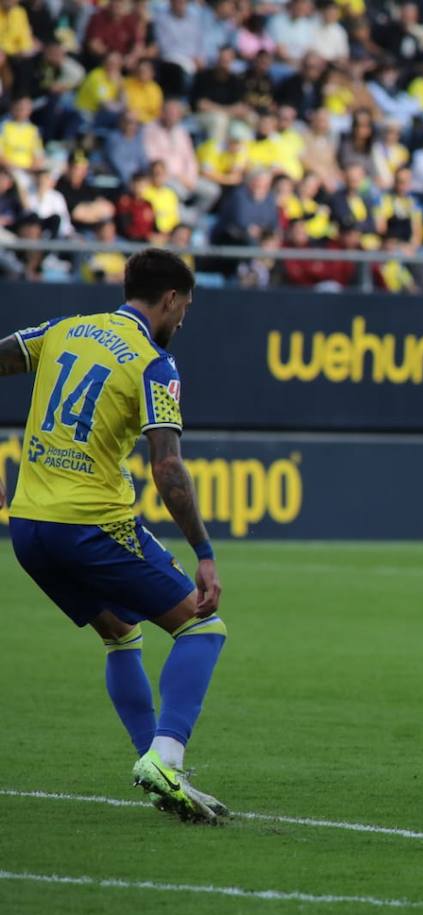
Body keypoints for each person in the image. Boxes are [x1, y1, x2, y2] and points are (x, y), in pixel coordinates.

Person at [0, 249, 227, 822]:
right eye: (186, 307)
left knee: (121, 633)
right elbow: (168, 468)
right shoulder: (155, 363)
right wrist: (203, 551)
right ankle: (167, 757)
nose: (184, 320)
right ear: (171, 299)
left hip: (27, 527)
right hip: (91, 524)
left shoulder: (63, 330)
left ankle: (156, 767)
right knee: (202, 624)